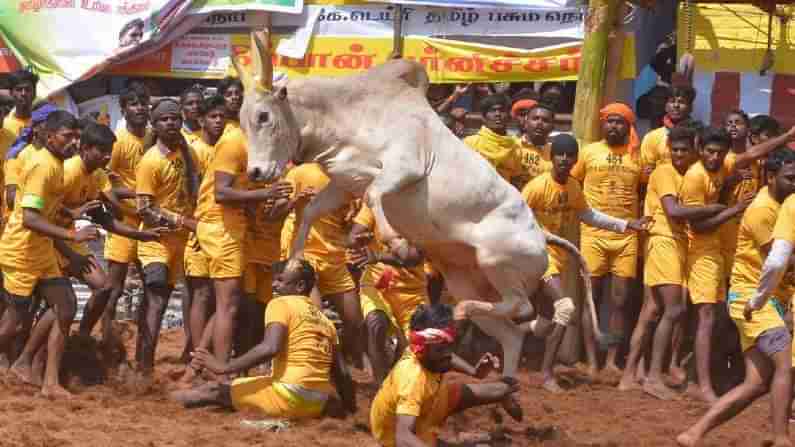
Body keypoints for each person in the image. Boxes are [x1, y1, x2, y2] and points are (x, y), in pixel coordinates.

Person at [8, 122, 162, 385]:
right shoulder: (64, 171)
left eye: (109, 152)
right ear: (86, 149)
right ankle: (32, 361)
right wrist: (70, 246)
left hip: (61, 240)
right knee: (29, 317)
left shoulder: (97, 174)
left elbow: (106, 218)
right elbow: (39, 219)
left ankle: (76, 341)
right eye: (102, 151)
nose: (106, 157)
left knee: (98, 289)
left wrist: (141, 234)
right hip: (46, 242)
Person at [677, 148, 795, 447]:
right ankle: (781, 439)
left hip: (769, 300)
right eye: (790, 178)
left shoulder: (784, 207)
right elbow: (779, 260)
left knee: (756, 384)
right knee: (786, 364)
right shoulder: (762, 210)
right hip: (752, 299)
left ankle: (693, 433)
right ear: (770, 177)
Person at [523, 134, 648, 392]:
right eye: (560, 154)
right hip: (537, 256)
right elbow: (513, 217)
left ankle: (511, 331)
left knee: (545, 321)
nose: (565, 160)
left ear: (575, 159)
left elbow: (589, 215)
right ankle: (547, 374)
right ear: (552, 157)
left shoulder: (572, 188)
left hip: (558, 257)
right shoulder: (536, 187)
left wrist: (626, 224)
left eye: (570, 155)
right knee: (565, 308)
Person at [171, 259, 357, 419]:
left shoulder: (281, 303)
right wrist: (350, 410)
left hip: (288, 396)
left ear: (299, 286)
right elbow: (342, 373)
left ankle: (161, 402)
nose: (274, 285)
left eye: (281, 280)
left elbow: (270, 347)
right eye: (274, 280)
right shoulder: (325, 320)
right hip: (317, 403)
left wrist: (224, 366)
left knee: (213, 391)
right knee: (236, 385)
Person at [190, 92, 292, 381]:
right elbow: (221, 192)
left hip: (234, 227)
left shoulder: (257, 145)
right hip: (219, 225)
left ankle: (204, 368)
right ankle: (219, 374)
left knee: (229, 302)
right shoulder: (235, 142)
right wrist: (266, 193)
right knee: (226, 304)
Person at [0, 111, 98, 398]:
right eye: (68, 137)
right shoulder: (43, 166)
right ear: (49, 135)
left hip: (40, 250)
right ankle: (26, 365)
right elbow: (30, 217)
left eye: (76, 138)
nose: (73, 143)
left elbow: (47, 205)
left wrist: (71, 213)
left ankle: (49, 381)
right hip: (22, 251)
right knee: (14, 323)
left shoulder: (57, 165)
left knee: (66, 306)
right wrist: (72, 235)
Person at [619, 126, 717, 398]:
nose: (679, 154)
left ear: (694, 150)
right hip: (664, 240)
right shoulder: (665, 172)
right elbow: (673, 211)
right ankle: (652, 376)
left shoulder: (689, 173)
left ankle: (629, 375)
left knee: (651, 311)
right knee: (674, 310)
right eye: (675, 149)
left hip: (673, 243)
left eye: (684, 150)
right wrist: (712, 209)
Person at [369, 303, 521, 447]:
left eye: (450, 346)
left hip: (433, 398)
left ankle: (503, 394)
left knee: (506, 387)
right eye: (441, 350)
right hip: (400, 436)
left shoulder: (427, 351)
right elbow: (402, 437)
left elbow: (446, 353)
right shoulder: (413, 381)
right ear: (422, 348)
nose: (448, 354)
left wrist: (475, 371)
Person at [679, 126, 753, 403]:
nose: (715, 157)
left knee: (716, 318)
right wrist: (734, 209)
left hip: (716, 253)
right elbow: (698, 227)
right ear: (700, 149)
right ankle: (701, 385)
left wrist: (731, 185)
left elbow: (750, 156)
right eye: (710, 152)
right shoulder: (695, 176)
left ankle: (699, 378)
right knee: (707, 318)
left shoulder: (721, 167)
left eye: (720, 153)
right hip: (701, 253)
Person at [570, 103, 644, 377]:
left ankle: (612, 360)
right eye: (610, 122)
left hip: (627, 236)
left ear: (628, 126)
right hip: (593, 235)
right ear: (603, 124)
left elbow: (647, 186)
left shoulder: (636, 156)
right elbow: (572, 183)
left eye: (620, 122)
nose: (614, 126)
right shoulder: (589, 152)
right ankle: (591, 360)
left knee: (620, 301)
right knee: (591, 297)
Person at [134, 98, 200, 375]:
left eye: (174, 118)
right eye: (164, 119)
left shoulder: (188, 154)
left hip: (182, 242)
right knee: (157, 298)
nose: (170, 123)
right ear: (155, 125)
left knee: (167, 299)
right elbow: (144, 209)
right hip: (155, 242)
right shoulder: (150, 162)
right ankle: (144, 364)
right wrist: (177, 219)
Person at [283, 163, 363, 367]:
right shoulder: (300, 173)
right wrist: (296, 200)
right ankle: (307, 368)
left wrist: (354, 230)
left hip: (335, 259)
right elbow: (274, 213)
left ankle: (338, 365)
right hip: (305, 255)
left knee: (355, 322)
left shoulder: (350, 178)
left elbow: (346, 225)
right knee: (314, 319)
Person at [347, 202, 428, 385]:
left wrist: (378, 256)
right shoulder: (377, 202)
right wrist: (359, 240)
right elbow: (352, 236)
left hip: (412, 291)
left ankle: (396, 373)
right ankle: (380, 386)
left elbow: (413, 257)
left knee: (417, 347)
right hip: (377, 283)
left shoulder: (423, 210)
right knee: (376, 323)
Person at [180, 95, 224, 367]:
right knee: (200, 293)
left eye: (221, 116)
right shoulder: (194, 150)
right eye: (212, 116)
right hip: (197, 227)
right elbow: (188, 191)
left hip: (222, 230)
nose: (218, 121)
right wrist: (195, 227)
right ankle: (197, 355)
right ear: (201, 119)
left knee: (220, 296)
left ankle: (203, 353)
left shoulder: (228, 147)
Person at [464, 94, 523, 186]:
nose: (497, 114)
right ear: (483, 117)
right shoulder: (470, 143)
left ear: (509, 116)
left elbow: (516, 180)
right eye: (492, 111)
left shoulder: (516, 148)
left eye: (502, 110)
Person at [640, 86, 696, 176]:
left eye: (681, 102)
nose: (676, 105)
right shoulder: (652, 137)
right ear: (666, 106)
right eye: (672, 101)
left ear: (690, 108)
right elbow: (645, 172)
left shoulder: (698, 135)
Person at [514, 102, 554, 189]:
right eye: (535, 118)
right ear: (525, 123)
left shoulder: (555, 154)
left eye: (545, 120)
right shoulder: (513, 147)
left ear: (552, 128)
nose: (540, 123)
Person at [3, 70, 38, 138]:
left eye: (27, 89)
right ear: (11, 93)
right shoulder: (4, 125)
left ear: (34, 93)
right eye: (19, 89)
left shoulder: (42, 123)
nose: (23, 93)